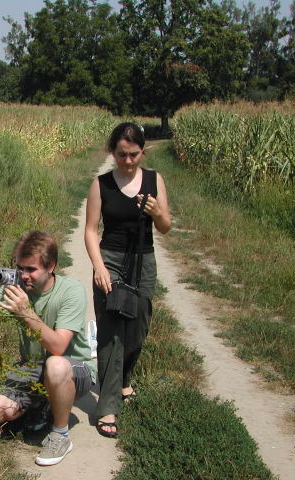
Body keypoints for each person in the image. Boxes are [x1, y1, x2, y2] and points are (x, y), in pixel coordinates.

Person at [0, 230, 95, 467]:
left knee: (55, 364)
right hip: (33, 367)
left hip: (73, 369)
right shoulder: (15, 287)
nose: (24, 276)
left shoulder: (71, 290)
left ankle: (60, 435)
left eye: (31, 269)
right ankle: (41, 405)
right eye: (19, 268)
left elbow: (59, 347)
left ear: (51, 266)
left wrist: (26, 312)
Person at [84, 122, 171, 438]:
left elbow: (165, 226)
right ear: (112, 152)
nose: (128, 161)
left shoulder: (154, 180)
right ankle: (107, 407)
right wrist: (99, 266)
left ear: (143, 151)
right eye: (122, 154)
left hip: (143, 261)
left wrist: (156, 211)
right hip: (110, 259)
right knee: (111, 332)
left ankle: (122, 378)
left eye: (134, 154)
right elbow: (90, 230)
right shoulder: (102, 184)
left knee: (137, 327)